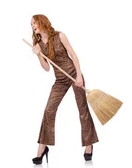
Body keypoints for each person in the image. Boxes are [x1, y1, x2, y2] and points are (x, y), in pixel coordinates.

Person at [29, 14, 97, 164]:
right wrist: (38, 55)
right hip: (60, 79)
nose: (32, 26)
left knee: (82, 109)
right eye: (31, 24)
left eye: (34, 23)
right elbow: (46, 68)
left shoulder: (60, 36)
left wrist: (79, 76)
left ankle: (89, 145)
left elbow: (73, 55)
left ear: (42, 23)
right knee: (49, 110)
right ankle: (42, 148)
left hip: (73, 74)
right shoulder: (38, 44)